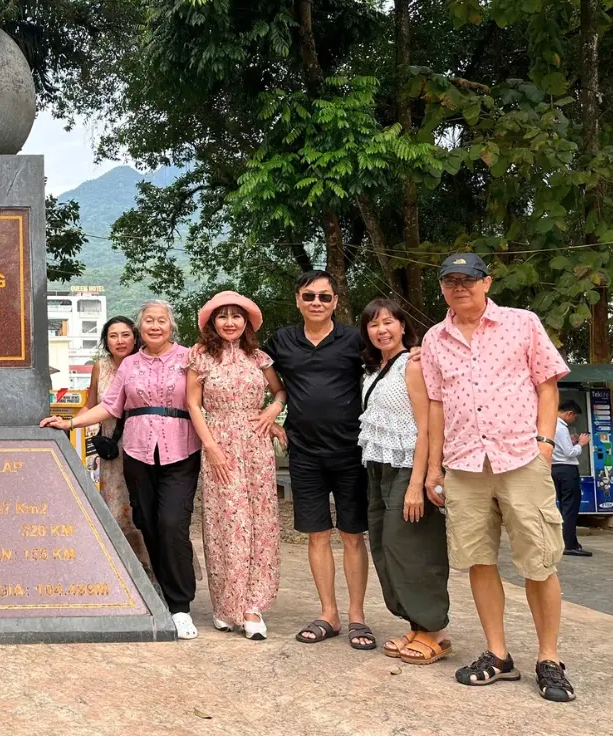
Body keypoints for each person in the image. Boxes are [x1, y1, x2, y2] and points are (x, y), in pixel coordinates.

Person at [421, 253, 574, 702]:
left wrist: (545, 445)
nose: (459, 287)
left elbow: (547, 384)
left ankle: (549, 658)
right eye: (450, 281)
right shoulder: (434, 339)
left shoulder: (522, 323)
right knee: (478, 559)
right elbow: (436, 405)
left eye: (467, 279)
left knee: (539, 561)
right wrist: (434, 467)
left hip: (521, 459)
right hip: (464, 464)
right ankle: (498, 654)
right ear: (442, 288)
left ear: (486, 282)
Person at [41, 299, 201, 639]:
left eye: (161, 320)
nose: (155, 326)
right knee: (147, 523)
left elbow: (205, 402)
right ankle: (162, 592)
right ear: (141, 328)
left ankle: (180, 605)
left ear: (171, 326)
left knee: (172, 523)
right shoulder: (129, 365)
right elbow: (109, 406)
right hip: (138, 452)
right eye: (149, 321)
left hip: (181, 451)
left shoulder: (189, 358)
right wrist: (69, 423)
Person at [263, 270, 375, 650]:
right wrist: (270, 414)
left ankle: (357, 616)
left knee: (353, 535)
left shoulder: (355, 339)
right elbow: (254, 372)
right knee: (317, 534)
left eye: (324, 297)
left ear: (335, 302)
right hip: (304, 452)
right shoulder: (282, 340)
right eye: (309, 296)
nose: (316, 303)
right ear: (298, 299)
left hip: (351, 450)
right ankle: (329, 614)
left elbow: (391, 361)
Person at [186, 291, 285, 641]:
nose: (230, 322)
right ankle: (226, 603)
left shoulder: (258, 357)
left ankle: (252, 605)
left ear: (247, 322)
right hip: (219, 443)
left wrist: (273, 412)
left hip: (256, 443)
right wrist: (211, 446)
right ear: (212, 322)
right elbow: (193, 404)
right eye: (223, 316)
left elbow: (280, 391)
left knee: (260, 522)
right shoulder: (200, 357)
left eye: (236, 316)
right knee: (226, 521)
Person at [357, 297, 451, 666]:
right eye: (373, 324)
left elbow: (425, 426)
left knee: (412, 544)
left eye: (388, 322)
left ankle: (434, 630)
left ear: (402, 325)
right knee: (386, 544)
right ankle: (416, 623)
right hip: (378, 466)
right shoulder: (372, 368)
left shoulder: (412, 365)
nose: (381, 330)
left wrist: (419, 482)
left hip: (409, 466)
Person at [84, 315, 148, 566]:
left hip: (142, 446)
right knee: (114, 508)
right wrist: (63, 424)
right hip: (112, 451)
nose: (120, 341)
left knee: (142, 508)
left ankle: (151, 568)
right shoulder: (100, 367)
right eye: (113, 336)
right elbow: (91, 405)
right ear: (106, 341)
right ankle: (123, 567)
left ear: (135, 337)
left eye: (125, 335)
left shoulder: (146, 362)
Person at [551, 402, 591, 557]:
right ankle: (570, 544)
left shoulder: (550, 424)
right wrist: (581, 444)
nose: (574, 420)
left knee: (563, 505)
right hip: (567, 469)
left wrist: (572, 441)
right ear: (569, 413)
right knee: (570, 507)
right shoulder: (561, 428)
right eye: (575, 417)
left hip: (555, 468)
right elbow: (569, 453)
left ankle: (565, 541)